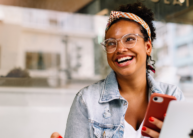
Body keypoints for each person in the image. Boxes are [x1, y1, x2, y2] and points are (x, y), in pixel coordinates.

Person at [51, 2, 184, 138]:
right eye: (111, 43)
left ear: (148, 46)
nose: (120, 49)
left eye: (130, 39)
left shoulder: (172, 96)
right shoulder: (87, 100)